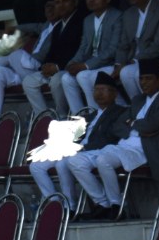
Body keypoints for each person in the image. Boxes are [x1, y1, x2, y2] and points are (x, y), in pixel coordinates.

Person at [65, 59, 159, 218]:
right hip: (123, 145)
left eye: (149, 78)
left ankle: (117, 205)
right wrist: (138, 125)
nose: (144, 83)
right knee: (74, 161)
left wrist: (132, 123)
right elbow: (118, 126)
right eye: (141, 78)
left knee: (103, 160)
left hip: (145, 150)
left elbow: (152, 125)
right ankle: (102, 203)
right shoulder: (138, 100)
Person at [31, 72, 127, 208]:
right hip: (75, 149)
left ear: (114, 94)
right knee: (36, 166)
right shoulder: (90, 116)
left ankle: (70, 206)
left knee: (62, 164)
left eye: (103, 90)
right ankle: (54, 203)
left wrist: (82, 148)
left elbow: (110, 138)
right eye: (96, 90)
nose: (99, 93)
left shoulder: (119, 112)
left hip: (94, 151)